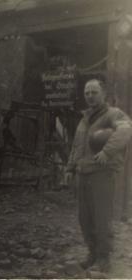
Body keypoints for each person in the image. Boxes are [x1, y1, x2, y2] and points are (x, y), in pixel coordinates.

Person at [65, 79, 132, 273]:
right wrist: (70, 169)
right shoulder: (84, 119)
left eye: (94, 92)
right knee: (85, 218)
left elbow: (126, 130)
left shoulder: (114, 113)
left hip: (102, 174)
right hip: (83, 174)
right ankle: (92, 254)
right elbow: (76, 147)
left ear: (103, 93)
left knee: (102, 218)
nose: (90, 96)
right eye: (87, 93)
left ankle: (104, 259)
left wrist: (107, 152)